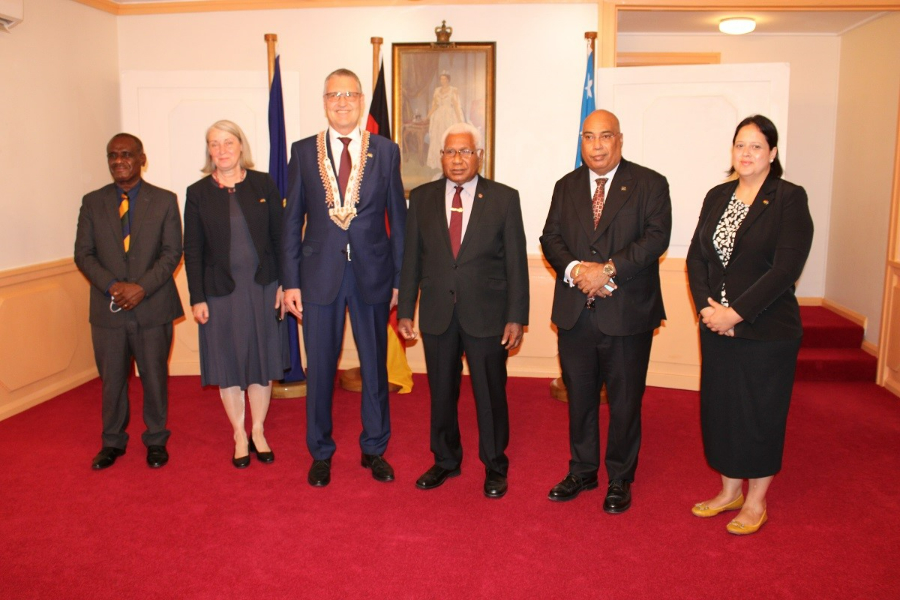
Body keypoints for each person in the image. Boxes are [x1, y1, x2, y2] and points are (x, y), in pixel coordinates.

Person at [686, 115, 813, 535]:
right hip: (716, 327)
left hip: (766, 330)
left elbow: (785, 269)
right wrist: (709, 312)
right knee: (721, 412)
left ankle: (756, 501)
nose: (746, 153)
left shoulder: (788, 199)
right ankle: (728, 492)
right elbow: (696, 258)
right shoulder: (717, 195)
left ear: (772, 154)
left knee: (759, 415)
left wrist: (734, 314)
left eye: (757, 146)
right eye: (741, 144)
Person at [540, 109, 671, 513]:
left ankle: (619, 477)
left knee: (625, 401)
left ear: (619, 139)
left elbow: (656, 238)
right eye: (589, 137)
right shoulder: (566, 186)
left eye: (605, 137)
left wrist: (608, 270)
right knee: (579, 397)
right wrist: (577, 270)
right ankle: (582, 470)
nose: (596, 146)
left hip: (627, 314)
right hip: (576, 314)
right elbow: (551, 237)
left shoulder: (649, 183)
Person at [282, 68, 406, 487]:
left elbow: (399, 220)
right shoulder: (302, 152)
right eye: (333, 95)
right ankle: (320, 451)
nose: (342, 102)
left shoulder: (385, 152)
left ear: (360, 101)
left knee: (374, 367)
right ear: (324, 101)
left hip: (373, 273)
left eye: (350, 94)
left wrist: (400, 281)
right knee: (319, 368)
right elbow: (290, 221)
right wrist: (291, 282)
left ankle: (375, 448)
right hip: (318, 276)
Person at [398, 123, 529, 499]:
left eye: (466, 152)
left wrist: (516, 316)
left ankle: (494, 465)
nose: (457, 160)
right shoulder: (421, 198)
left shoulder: (504, 199)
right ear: (440, 156)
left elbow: (516, 263)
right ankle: (445, 460)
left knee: (490, 393)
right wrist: (406, 308)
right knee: (440, 391)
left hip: (487, 314)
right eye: (450, 152)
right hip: (438, 312)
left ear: (479, 156)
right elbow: (412, 260)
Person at [75, 133, 183, 470]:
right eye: (112, 155)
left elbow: (172, 252)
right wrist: (112, 286)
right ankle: (112, 442)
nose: (118, 161)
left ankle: (155, 439)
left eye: (126, 154)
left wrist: (141, 288)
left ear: (141, 158)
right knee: (112, 380)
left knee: (154, 376)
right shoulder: (92, 202)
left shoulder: (165, 200)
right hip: (108, 310)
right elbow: (83, 253)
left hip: (153, 305)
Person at [183, 120, 288, 469]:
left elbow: (281, 238)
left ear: (241, 146)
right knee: (228, 363)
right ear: (208, 150)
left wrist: (285, 284)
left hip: (263, 287)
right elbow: (192, 250)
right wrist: (197, 297)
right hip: (219, 293)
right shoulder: (197, 193)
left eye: (229, 142)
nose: (222, 150)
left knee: (261, 362)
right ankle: (238, 434)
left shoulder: (263, 184)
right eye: (214, 144)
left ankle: (258, 431)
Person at [425, 72, 465, 170]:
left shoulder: (453, 90)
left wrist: (460, 120)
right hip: (438, 117)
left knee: (447, 138)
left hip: (448, 116)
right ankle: (437, 162)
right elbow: (435, 105)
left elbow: (456, 105)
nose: (443, 81)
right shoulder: (437, 91)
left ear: (448, 80)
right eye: (441, 79)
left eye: (445, 79)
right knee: (437, 138)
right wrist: (428, 116)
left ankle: (449, 162)